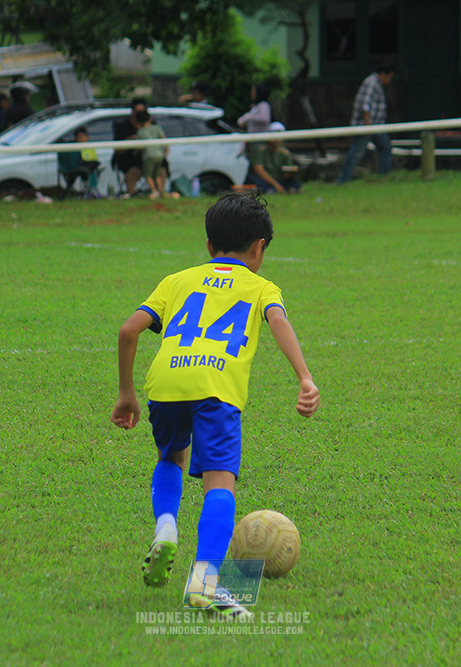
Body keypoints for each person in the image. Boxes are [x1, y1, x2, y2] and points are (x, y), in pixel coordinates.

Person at [111, 192, 320, 618]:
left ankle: (166, 525)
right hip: (216, 389)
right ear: (259, 248)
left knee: (170, 455)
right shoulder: (262, 286)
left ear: (209, 246)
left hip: (165, 382)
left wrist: (126, 392)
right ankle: (206, 587)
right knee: (220, 483)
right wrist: (304, 377)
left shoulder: (177, 279)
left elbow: (129, 330)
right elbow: (278, 321)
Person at [338, 62, 395, 184]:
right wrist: (367, 127)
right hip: (367, 126)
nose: (389, 80)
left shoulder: (376, 84)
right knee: (356, 154)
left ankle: (384, 177)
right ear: (383, 74)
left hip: (377, 126)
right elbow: (365, 106)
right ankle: (343, 180)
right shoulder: (372, 84)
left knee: (385, 147)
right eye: (389, 77)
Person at [247, 122, 302, 194]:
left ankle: (284, 189)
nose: (276, 139)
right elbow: (258, 170)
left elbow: (286, 173)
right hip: (264, 179)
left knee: (295, 182)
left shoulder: (285, 153)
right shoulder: (260, 149)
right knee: (255, 181)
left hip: (278, 178)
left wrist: (292, 171)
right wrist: (276, 185)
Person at [112, 98, 148, 196]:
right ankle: (131, 193)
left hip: (147, 156)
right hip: (129, 159)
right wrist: (130, 140)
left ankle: (157, 192)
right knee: (133, 169)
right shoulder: (123, 127)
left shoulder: (150, 125)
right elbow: (117, 150)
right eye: (137, 112)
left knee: (159, 166)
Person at [57, 126, 100, 199]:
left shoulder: (90, 147)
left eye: (83, 136)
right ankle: (90, 191)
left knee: (93, 168)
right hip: (78, 167)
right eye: (79, 137)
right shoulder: (73, 148)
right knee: (89, 170)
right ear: (75, 138)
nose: (82, 139)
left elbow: (93, 158)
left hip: (88, 166)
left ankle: (92, 190)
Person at [135, 110, 170, 199]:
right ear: (150, 119)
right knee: (157, 174)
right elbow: (163, 138)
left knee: (147, 175)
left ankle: (154, 191)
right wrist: (166, 149)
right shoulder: (157, 128)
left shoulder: (141, 131)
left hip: (149, 156)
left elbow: (139, 146)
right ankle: (161, 191)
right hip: (159, 155)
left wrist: (135, 152)